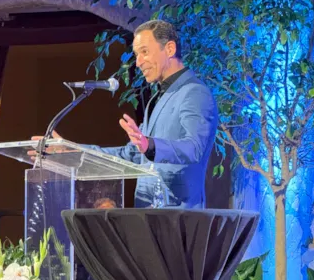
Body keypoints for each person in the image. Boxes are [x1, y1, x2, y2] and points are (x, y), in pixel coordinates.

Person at [31, 20, 217, 208]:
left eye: (144, 52)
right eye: (136, 55)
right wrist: (72, 151)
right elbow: (130, 155)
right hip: (149, 215)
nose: (139, 62)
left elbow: (194, 148)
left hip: (178, 216)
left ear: (169, 49)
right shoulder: (157, 98)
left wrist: (150, 145)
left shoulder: (194, 92)